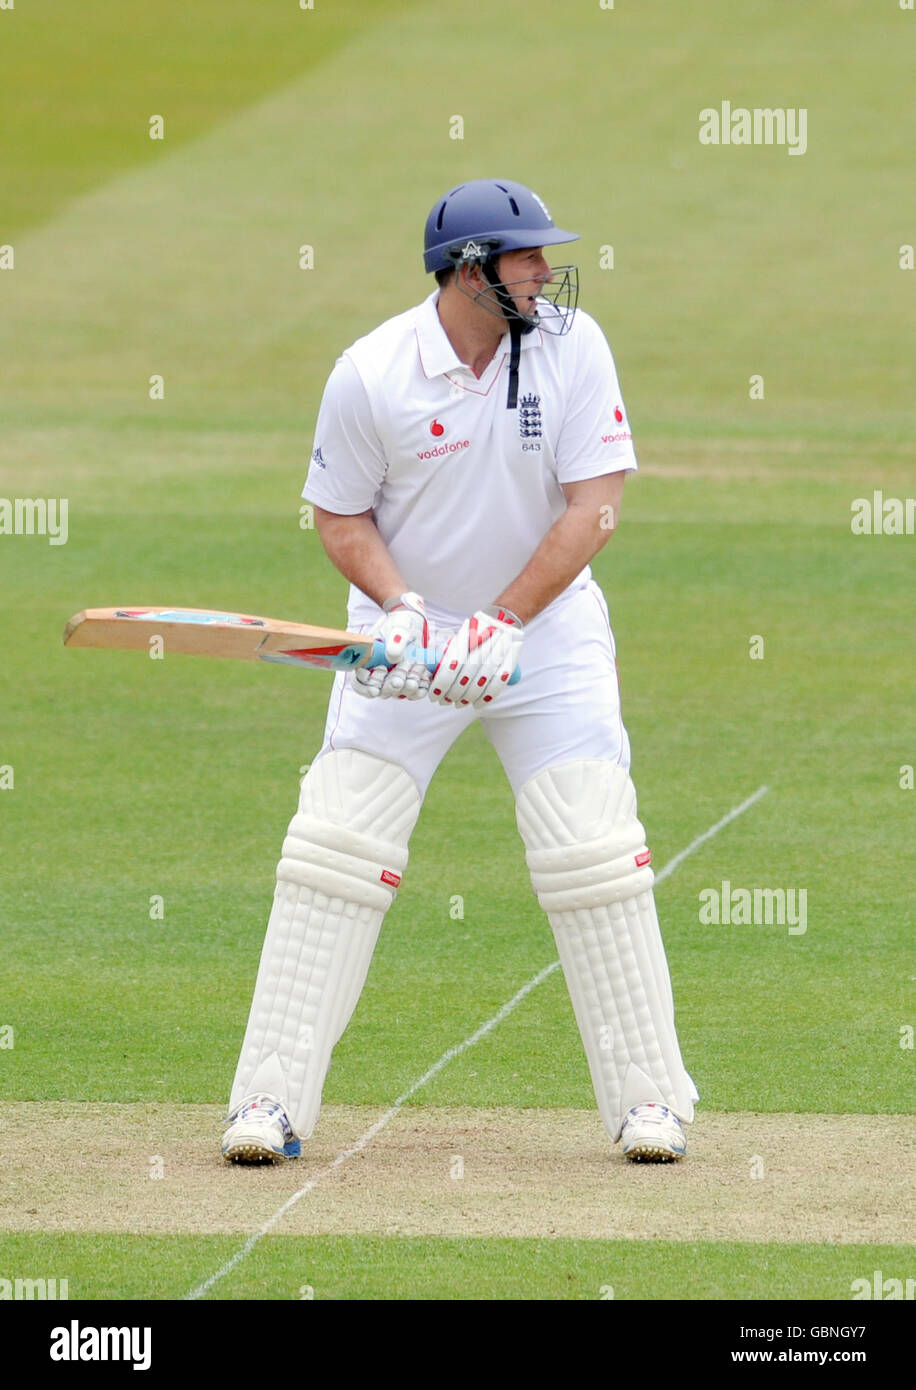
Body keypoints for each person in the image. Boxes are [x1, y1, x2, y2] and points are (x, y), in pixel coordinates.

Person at [221, 178, 697, 1165]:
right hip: (405, 647)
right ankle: (267, 1103)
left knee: (592, 847)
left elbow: (594, 506)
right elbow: (340, 516)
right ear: (471, 273)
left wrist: (505, 621)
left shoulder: (574, 345)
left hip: (546, 640)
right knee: (334, 849)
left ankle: (650, 1103)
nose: (544, 273)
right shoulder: (370, 372)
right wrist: (400, 609)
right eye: (526, 258)